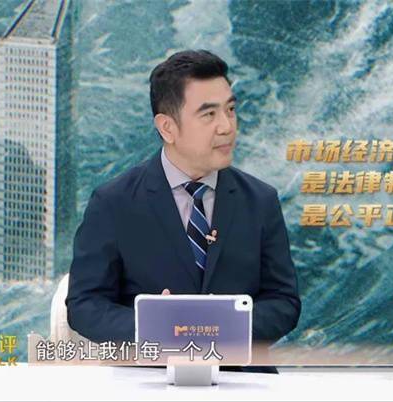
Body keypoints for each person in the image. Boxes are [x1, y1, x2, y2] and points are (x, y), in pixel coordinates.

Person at [66, 49, 300, 373]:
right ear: (167, 127)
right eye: (209, 114)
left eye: (230, 110)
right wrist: (156, 329)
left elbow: (284, 301)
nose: (226, 126)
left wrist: (220, 329)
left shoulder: (260, 201)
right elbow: (84, 305)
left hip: (241, 379)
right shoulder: (114, 203)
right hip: (148, 380)